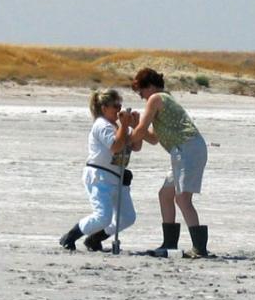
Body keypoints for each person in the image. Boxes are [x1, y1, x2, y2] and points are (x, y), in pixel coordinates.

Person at [128, 68, 210, 258]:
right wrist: (135, 127)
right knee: (166, 194)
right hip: (185, 150)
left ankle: (199, 248)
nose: (141, 97)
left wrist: (124, 139)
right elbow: (154, 138)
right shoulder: (165, 99)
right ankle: (170, 242)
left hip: (186, 149)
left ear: (149, 86)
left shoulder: (155, 99)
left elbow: (141, 131)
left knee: (182, 199)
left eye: (141, 92)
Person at [59, 89, 141, 252]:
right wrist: (124, 126)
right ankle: (70, 236)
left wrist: (135, 125)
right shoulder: (101, 125)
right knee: (103, 216)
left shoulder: (118, 127)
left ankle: (95, 239)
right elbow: (115, 146)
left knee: (127, 217)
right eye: (115, 106)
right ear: (104, 108)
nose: (119, 109)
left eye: (120, 105)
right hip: (100, 176)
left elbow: (136, 145)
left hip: (118, 177)